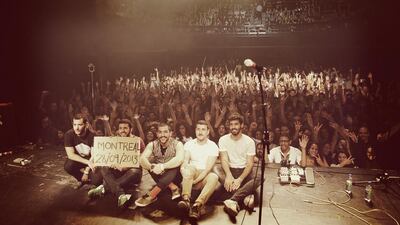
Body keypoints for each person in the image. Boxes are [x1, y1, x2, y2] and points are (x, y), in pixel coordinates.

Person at [87, 119, 145, 207]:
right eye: (120, 128)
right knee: (103, 166)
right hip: (117, 172)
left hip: (132, 173)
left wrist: (125, 167)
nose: (123, 130)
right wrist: (109, 162)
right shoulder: (115, 140)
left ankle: (104, 188)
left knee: (134, 171)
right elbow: (107, 155)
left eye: (125, 128)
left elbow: (141, 160)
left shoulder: (138, 140)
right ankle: (120, 194)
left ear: (131, 129)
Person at [218, 113, 260, 219]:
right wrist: (228, 175)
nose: (233, 127)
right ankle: (245, 197)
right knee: (215, 173)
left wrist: (240, 179)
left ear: (242, 125)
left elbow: (250, 163)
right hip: (229, 170)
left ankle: (232, 200)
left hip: (244, 171)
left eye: (236, 124)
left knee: (260, 177)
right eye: (231, 124)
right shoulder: (223, 139)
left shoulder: (249, 141)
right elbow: (223, 159)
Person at [178, 120, 220, 220]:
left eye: (203, 129)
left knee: (214, 177)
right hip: (191, 173)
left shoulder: (213, 146)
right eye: (198, 129)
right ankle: (186, 200)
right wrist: (183, 171)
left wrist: (194, 181)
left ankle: (197, 205)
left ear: (208, 131)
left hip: (204, 176)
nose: (200, 132)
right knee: (189, 167)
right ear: (195, 130)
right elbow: (185, 162)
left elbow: (207, 170)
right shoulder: (189, 144)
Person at [135, 123, 184, 207]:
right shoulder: (152, 144)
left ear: (170, 133)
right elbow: (142, 159)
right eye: (160, 132)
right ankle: (173, 187)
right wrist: (152, 167)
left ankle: (152, 194)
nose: (162, 135)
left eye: (165, 132)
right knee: (150, 160)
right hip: (160, 175)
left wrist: (162, 166)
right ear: (157, 134)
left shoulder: (178, 144)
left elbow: (179, 159)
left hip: (175, 176)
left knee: (175, 163)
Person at [64, 113, 102, 186]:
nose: (76, 128)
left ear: (86, 125)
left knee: (97, 181)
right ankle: (81, 179)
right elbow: (70, 155)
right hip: (82, 160)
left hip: (91, 160)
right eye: (74, 125)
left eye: (80, 125)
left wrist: (86, 172)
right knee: (68, 166)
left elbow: (94, 156)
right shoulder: (69, 134)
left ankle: (87, 178)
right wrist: (87, 162)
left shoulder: (93, 135)